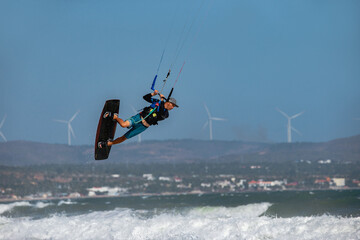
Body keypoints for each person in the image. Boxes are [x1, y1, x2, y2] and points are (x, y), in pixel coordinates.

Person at [98, 89, 178, 148]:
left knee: (124, 138)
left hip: (143, 127)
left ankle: (107, 143)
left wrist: (161, 100)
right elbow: (145, 97)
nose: (173, 107)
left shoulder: (166, 114)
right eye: (173, 105)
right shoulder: (156, 102)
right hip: (139, 118)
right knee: (123, 124)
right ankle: (115, 117)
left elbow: (161, 113)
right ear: (169, 102)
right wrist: (153, 94)